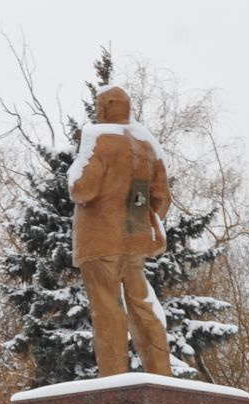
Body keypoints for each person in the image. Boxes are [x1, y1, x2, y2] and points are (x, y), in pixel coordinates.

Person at [68, 83, 173, 378]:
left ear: (102, 108)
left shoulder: (100, 139)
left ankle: (112, 382)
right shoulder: (147, 145)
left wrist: (75, 172)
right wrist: (141, 221)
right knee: (143, 306)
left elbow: (82, 190)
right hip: (135, 240)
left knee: (109, 310)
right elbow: (162, 197)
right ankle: (161, 374)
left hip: (100, 242)